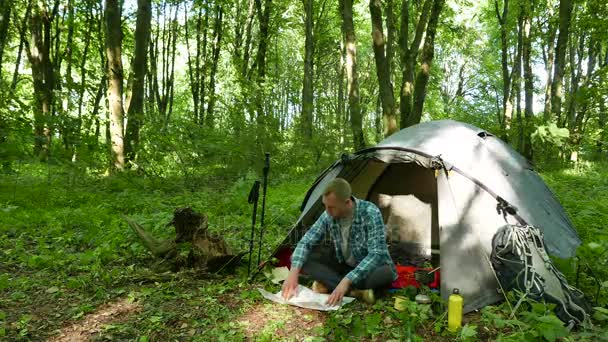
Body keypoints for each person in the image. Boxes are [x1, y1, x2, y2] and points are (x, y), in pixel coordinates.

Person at [281, 178, 397, 305]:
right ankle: (356, 292)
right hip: (344, 266)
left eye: (331, 207)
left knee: (386, 273)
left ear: (347, 202)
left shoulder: (370, 212)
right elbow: (306, 241)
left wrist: (347, 280)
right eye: (325, 205)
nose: (327, 211)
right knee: (299, 259)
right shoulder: (328, 214)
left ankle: (335, 285)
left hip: (367, 269)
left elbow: (376, 254)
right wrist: (293, 274)